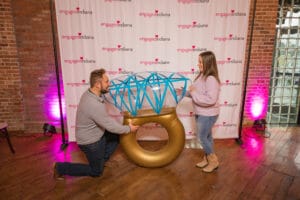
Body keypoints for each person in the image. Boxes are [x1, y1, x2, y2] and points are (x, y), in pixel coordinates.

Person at [53, 68, 139, 180]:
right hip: (90, 143)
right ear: (98, 84)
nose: (109, 83)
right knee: (96, 172)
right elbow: (110, 126)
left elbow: (108, 123)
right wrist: (129, 128)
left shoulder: (90, 93)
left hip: (97, 134)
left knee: (116, 136)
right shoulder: (93, 104)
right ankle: (59, 167)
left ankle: (101, 161)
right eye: (106, 81)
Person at [188, 51, 221, 173]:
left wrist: (193, 92)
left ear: (208, 63)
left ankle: (213, 161)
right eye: (198, 62)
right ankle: (207, 158)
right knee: (207, 137)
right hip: (201, 112)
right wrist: (184, 92)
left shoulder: (211, 79)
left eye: (201, 62)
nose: (198, 64)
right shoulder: (202, 76)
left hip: (208, 114)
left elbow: (210, 100)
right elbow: (196, 93)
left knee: (202, 137)